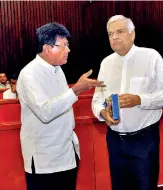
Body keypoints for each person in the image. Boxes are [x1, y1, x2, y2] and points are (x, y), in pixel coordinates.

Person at [92, 15, 163, 190]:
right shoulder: (106, 63)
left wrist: (140, 100)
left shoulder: (151, 57)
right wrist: (102, 113)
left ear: (132, 34)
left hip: (144, 140)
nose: (114, 37)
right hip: (115, 141)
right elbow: (97, 100)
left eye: (119, 32)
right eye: (110, 34)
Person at [17, 22, 105, 190]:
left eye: (68, 45)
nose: (68, 50)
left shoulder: (57, 70)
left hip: (66, 153)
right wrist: (76, 90)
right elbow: (45, 112)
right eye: (63, 46)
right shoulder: (29, 74)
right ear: (47, 48)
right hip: (44, 159)